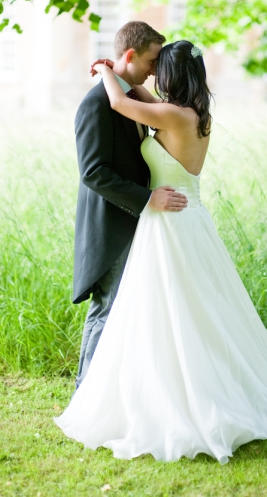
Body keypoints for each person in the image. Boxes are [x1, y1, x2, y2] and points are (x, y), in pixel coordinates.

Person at [55, 40, 267, 463]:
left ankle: (172, 399)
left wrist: (104, 70)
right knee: (194, 309)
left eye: (158, 69)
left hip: (167, 221)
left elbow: (118, 101)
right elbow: (145, 100)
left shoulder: (169, 115)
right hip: (189, 217)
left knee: (169, 310)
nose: (152, 76)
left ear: (171, 76)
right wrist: (128, 79)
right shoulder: (194, 115)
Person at [71, 21, 189, 391]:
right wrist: (147, 198)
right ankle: (84, 392)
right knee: (107, 308)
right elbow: (93, 173)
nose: (157, 69)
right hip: (112, 224)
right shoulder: (96, 104)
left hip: (141, 223)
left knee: (126, 309)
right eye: (152, 60)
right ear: (130, 55)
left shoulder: (133, 97)